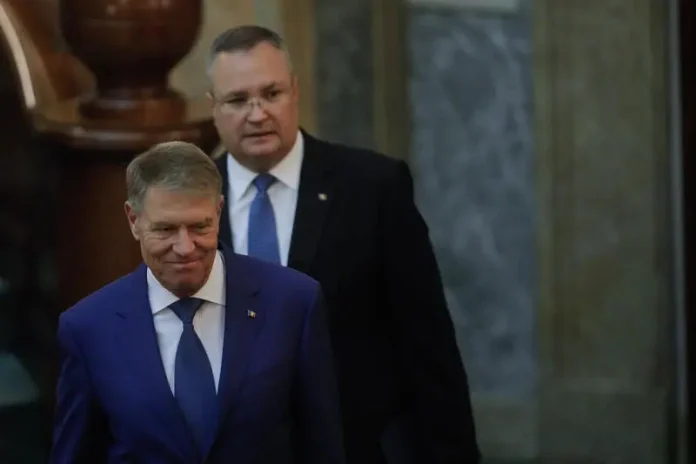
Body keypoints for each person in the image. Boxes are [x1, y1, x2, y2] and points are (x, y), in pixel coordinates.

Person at [208, 25, 480, 464]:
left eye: (271, 94)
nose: (257, 114)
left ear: (295, 91)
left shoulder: (372, 188)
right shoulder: (190, 200)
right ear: (213, 108)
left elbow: (428, 344)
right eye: (238, 100)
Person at [50, 141, 345, 464]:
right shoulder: (89, 329)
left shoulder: (292, 303)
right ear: (133, 220)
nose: (185, 247)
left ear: (219, 211)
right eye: (165, 229)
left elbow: (322, 447)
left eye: (199, 227)